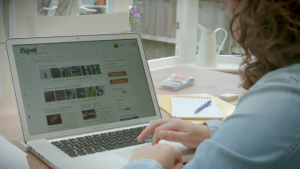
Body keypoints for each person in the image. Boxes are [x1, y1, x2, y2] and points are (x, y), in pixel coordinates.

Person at [123, 0, 300, 169]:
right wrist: (211, 133)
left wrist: (145, 162)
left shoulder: (281, 101)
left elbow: (275, 121)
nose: (224, 2)